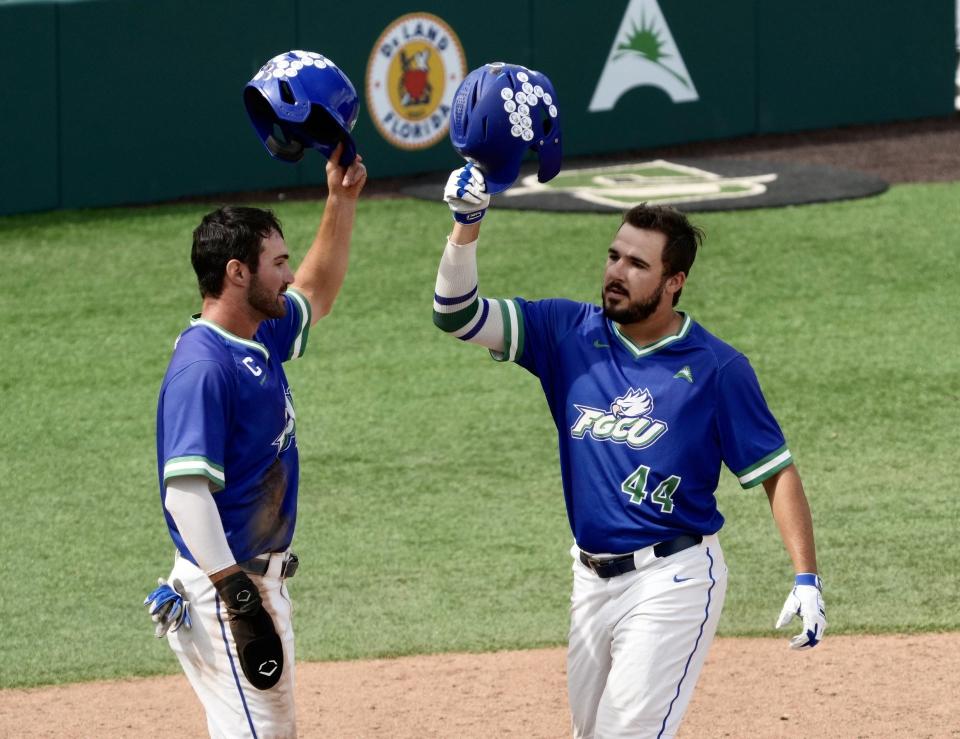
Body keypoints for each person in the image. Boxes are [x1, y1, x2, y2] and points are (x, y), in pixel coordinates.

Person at [433, 163, 826, 738]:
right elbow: (457, 315)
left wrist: (806, 577)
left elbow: (775, 470)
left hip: (674, 577)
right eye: (615, 256)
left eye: (638, 264)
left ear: (675, 282)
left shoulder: (717, 368)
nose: (617, 272)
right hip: (590, 578)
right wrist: (466, 225)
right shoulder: (566, 331)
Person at [144, 143, 366, 738]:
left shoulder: (256, 334)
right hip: (229, 590)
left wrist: (339, 202)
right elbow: (185, 495)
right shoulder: (204, 366)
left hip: (242, 582)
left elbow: (315, 294)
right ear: (238, 273)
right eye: (277, 262)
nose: (289, 274)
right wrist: (236, 597)